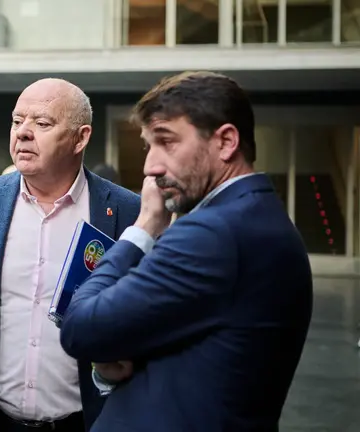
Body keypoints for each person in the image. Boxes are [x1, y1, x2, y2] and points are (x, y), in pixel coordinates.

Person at [59, 71, 313, 432]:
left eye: (167, 141)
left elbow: (81, 328)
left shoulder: (213, 232)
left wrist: (144, 227)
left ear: (226, 142)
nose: (151, 167)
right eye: (149, 146)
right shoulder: (255, 219)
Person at [0, 78, 141, 432]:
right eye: (16, 121)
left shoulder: (125, 211)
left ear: (80, 138)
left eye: (42, 123)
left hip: (87, 420)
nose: (23, 132)